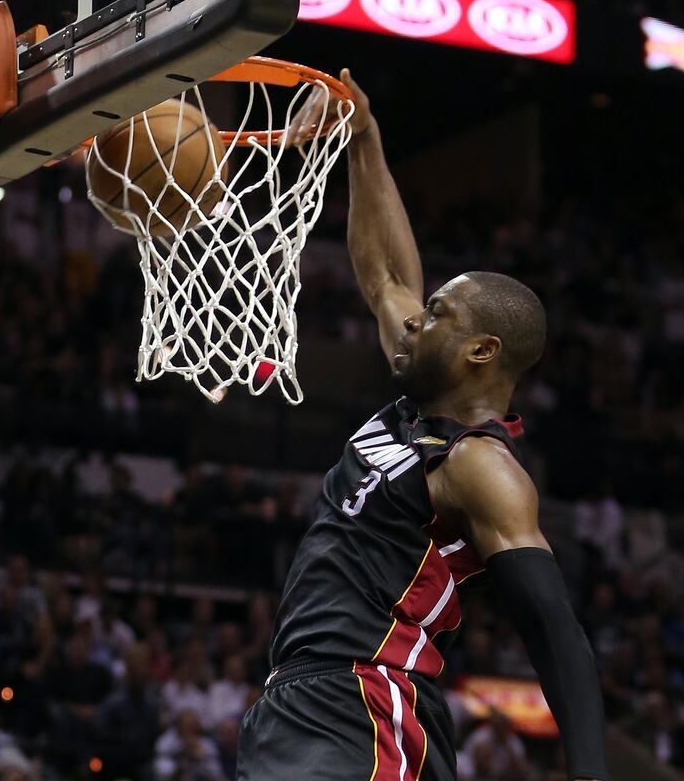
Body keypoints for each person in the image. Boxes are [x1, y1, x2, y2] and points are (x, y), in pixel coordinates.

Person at [235, 71, 607, 781]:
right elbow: (383, 277)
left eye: (438, 314)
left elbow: (555, 631)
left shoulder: (479, 465)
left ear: (481, 351)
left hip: (368, 698)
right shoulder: (412, 412)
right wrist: (364, 136)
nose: (415, 319)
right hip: (293, 698)